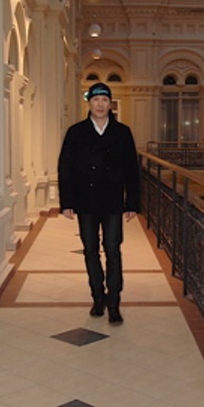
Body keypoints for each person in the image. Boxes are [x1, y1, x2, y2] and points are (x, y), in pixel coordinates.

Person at [58, 82, 141, 325]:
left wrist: (132, 202)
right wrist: (67, 202)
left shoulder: (122, 132)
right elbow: (65, 168)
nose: (100, 105)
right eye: (96, 100)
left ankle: (114, 302)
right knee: (90, 249)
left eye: (104, 100)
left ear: (110, 103)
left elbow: (132, 170)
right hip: (85, 201)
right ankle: (97, 297)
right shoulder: (76, 132)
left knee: (113, 249)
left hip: (112, 201)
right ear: (89, 103)